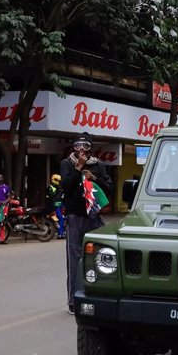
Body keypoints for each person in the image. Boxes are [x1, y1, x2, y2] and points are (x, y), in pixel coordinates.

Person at [60, 132, 112, 314]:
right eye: (77, 146)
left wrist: (94, 178)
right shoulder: (67, 164)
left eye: (86, 146)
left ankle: (100, 296)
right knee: (74, 259)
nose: (81, 150)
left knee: (103, 256)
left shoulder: (99, 165)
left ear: (91, 148)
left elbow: (109, 188)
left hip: (93, 217)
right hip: (75, 218)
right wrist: (77, 168)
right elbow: (66, 186)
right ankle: (73, 301)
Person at [46, 174, 66, 239]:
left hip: (61, 205)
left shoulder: (60, 188)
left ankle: (63, 232)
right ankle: (60, 233)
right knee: (60, 218)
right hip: (54, 206)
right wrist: (58, 191)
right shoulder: (50, 187)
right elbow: (51, 196)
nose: (59, 182)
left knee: (64, 219)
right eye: (58, 180)